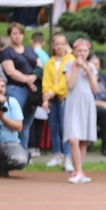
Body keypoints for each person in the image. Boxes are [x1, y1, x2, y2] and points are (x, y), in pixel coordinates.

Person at [0, 23, 39, 148]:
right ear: (9, 35)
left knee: (26, 124)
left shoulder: (30, 50)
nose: (18, 36)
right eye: (15, 33)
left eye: (20, 33)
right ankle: (11, 150)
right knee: (14, 121)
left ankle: (23, 152)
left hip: (32, 91)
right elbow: (10, 71)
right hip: (15, 89)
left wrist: (34, 77)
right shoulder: (7, 52)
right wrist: (28, 80)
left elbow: (40, 66)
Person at [63, 39, 98, 184]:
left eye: (85, 51)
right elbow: (70, 85)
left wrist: (89, 72)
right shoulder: (68, 65)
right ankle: (77, 171)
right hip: (73, 103)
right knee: (73, 139)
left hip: (87, 102)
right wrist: (77, 68)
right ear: (74, 52)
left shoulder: (91, 67)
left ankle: (79, 170)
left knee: (83, 139)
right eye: (79, 51)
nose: (82, 53)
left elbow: (95, 89)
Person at [41, 33, 74, 171]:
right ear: (53, 46)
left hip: (63, 97)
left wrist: (52, 92)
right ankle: (56, 155)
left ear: (66, 44)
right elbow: (46, 80)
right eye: (57, 44)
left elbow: (65, 82)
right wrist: (45, 96)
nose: (59, 46)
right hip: (51, 98)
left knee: (64, 128)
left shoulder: (70, 60)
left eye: (62, 43)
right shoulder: (49, 62)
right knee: (53, 127)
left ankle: (67, 157)